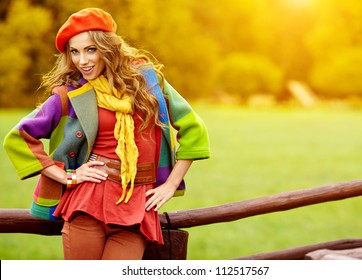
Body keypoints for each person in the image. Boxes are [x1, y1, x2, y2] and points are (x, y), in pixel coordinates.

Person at [3, 8, 210, 260]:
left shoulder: (148, 83)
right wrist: (68, 177)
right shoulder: (70, 94)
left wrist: (171, 184)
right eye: (74, 52)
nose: (82, 60)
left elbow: (193, 129)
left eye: (91, 49)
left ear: (109, 48)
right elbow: (19, 137)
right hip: (87, 201)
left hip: (137, 203)